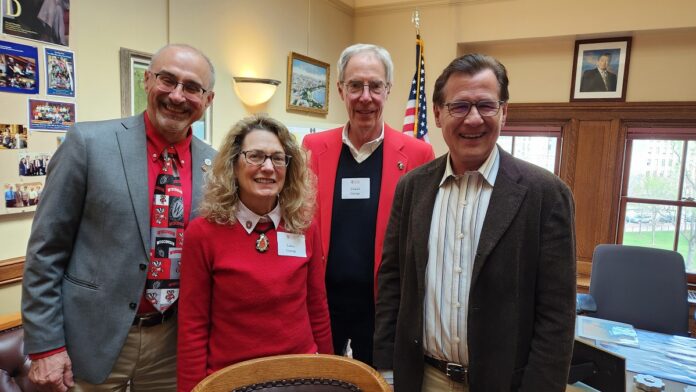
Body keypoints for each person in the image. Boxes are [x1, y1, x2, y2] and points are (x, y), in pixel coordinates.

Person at [373, 53, 577, 391]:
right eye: (459, 106)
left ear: (504, 112)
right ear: (437, 114)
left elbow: (556, 316)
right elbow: (392, 284)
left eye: (486, 105)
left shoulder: (547, 195)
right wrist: (387, 371)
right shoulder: (412, 188)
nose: (473, 119)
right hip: (423, 380)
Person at [21, 43, 216, 391]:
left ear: (208, 99)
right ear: (147, 81)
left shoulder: (215, 166)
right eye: (167, 80)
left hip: (173, 342)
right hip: (93, 339)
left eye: (191, 87)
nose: (177, 95)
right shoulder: (88, 143)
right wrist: (45, 345)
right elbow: (45, 251)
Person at [177, 114, 333, 391]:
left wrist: (331, 376)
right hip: (233, 381)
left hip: (300, 378)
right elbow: (192, 327)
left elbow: (317, 308)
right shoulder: (203, 233)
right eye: (255, 156)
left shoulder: (305, 227)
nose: (268, 167)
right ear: (233, 165)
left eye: (278, 158)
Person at [302, 43, 434, 366]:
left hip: (383, 307)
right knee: (321, 383)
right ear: (340, 90)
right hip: (323, 304)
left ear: (388, 90)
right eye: (355, 86)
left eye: (375, 86)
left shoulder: (418, 155)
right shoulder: (312, 147)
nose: (365, 96)